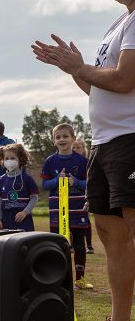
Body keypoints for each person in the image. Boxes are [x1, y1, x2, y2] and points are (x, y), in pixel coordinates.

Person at [33, 0, 135, 321]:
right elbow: (96, 85)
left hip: (131, 138)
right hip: (105, 142)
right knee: (111, 235)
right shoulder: (119, 23)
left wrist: (79, 67)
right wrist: (73, 68)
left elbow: (126, 80)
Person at [41, 123, 93, 288]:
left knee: (78, 244)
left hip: (77, 209)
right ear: (53, 140)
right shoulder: (50, 161)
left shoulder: (82, 161)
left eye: (65, 136)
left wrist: (75, 182)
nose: (62, 139)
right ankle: (57, 280)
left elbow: (89, 183)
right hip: (57, 211)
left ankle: (80, 279)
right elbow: (44, 184)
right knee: (57, 245)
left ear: (73, 138)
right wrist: (57, 181)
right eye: (58, 137)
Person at [0, 143, 38, 233]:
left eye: (13, 158)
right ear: (2, 160)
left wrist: (25, 212)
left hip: (23, 219)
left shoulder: (27, 178)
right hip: (6, 220)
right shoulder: (1, 179)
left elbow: (34, 198)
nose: (9, 161)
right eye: (6, 158)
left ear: (20, 160)